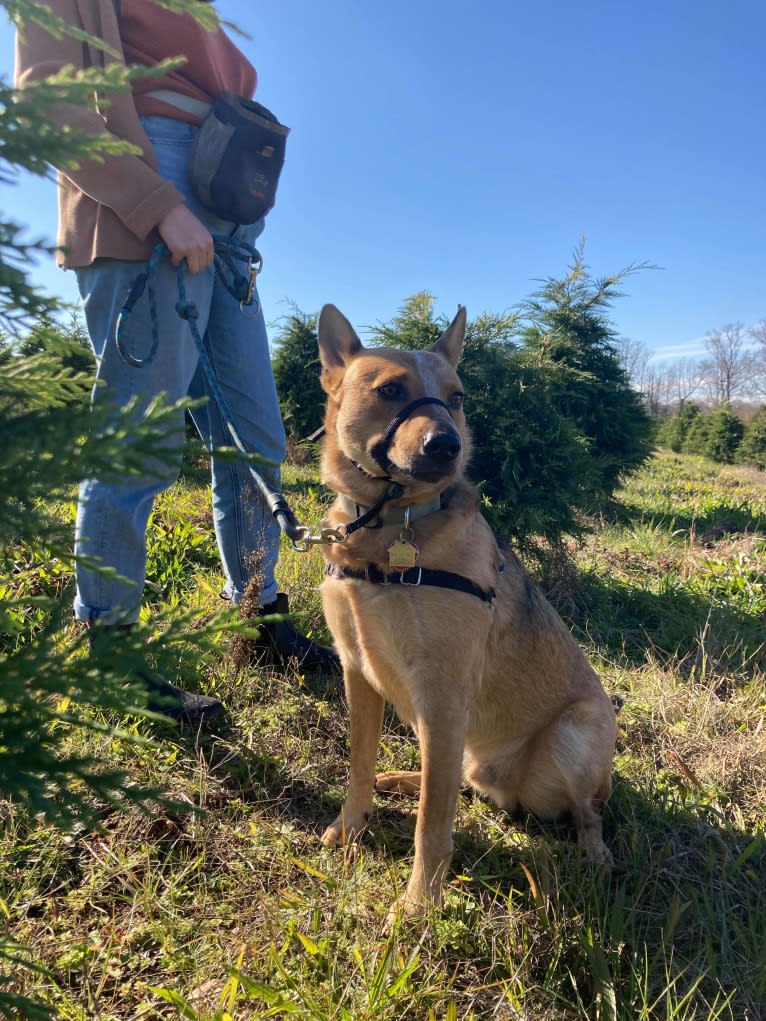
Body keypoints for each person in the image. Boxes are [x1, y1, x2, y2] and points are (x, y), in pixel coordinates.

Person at [15, 0, 338, 721]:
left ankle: (258, 618)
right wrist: (158, 201)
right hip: (149, 184)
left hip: (220, 192)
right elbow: (47, 106)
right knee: (140, 437)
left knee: (255, 436)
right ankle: (110, 648)